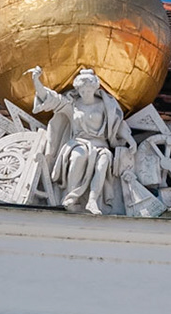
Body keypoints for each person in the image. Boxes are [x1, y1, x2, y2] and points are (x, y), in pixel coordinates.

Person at [28, 66, 135, 214]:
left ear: (94, 88)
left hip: (101, 145)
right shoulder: (72, 105)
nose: (85, 93)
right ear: (78, 90)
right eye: (82, 91)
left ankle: (92, 200)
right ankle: (71, 198)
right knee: (78, 156)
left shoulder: (105, 105)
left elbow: (117, 124)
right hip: (78, 143)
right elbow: (49, 98)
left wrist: (130, 140)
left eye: (88, 90)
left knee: (103, 162)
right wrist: (36, 80)